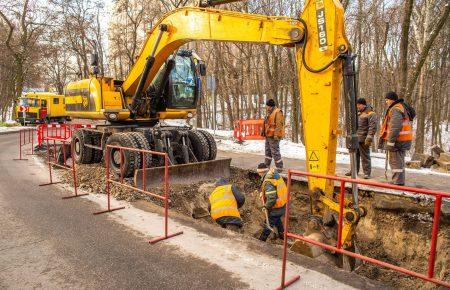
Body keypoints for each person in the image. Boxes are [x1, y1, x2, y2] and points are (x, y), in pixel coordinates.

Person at [379, 91, 413, 186]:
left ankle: (397, 182)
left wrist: (390, 142)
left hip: (398, 140)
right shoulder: (401, 107)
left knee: (395, 161)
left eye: (387, 100)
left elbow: (395, 127)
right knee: (400, 161)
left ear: (391, 100)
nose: (386, 102)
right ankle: (399, 181)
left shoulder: (395, 109)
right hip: (403, 139)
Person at [345, 98, 378, 179]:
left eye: (359, 105)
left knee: (365, 157)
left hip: (364, 139)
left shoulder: (371, 114)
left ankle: (367, 173)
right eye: (357, 105)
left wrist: (369, 138)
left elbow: (372, 127)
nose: (357, 106)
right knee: (354, 156)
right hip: (356, 139)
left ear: (363, 104)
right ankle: (354, 171)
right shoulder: (358, 113)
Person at [256, 163, 287, 241]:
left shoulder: (268, 181)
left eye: (259, 172)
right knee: (277, 220)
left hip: (276, 207)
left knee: (268, 224)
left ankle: (261, 240)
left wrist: (265, 206)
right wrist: (264, 194)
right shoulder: (273, 174)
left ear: (262, 172)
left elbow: (272, 198)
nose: (258, 174)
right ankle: (282, 235)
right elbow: (274, 190)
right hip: (282, 204)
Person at [262, 99, 285, 171]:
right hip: (268, 135)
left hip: (274, 136)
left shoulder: (278, 112)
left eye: (267, 106)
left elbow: (279, 125)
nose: (266, 107)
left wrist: (276, 135)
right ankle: (266, 165)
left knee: (275, 151)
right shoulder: (270, 112)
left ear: (270, 106)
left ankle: (279, 167)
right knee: (268, 151)